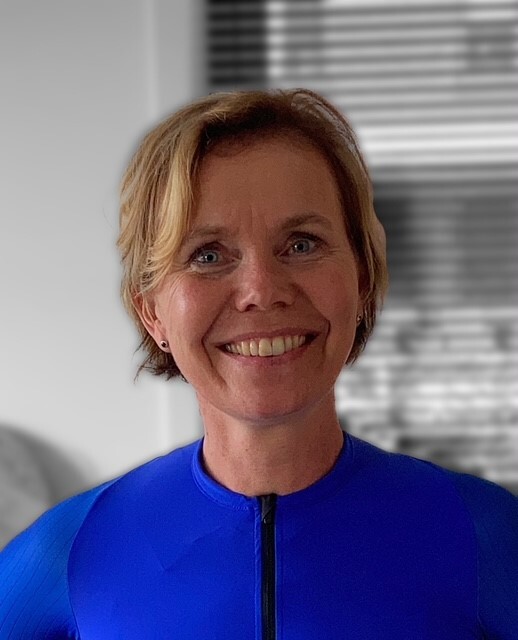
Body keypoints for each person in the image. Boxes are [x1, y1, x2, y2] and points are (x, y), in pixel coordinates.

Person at [0, 89, 516, 639]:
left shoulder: (483, 535)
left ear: (362, 279)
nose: (262, 291)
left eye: (302, 244)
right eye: (207, 255)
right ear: (151, 311)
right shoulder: (70, 553)